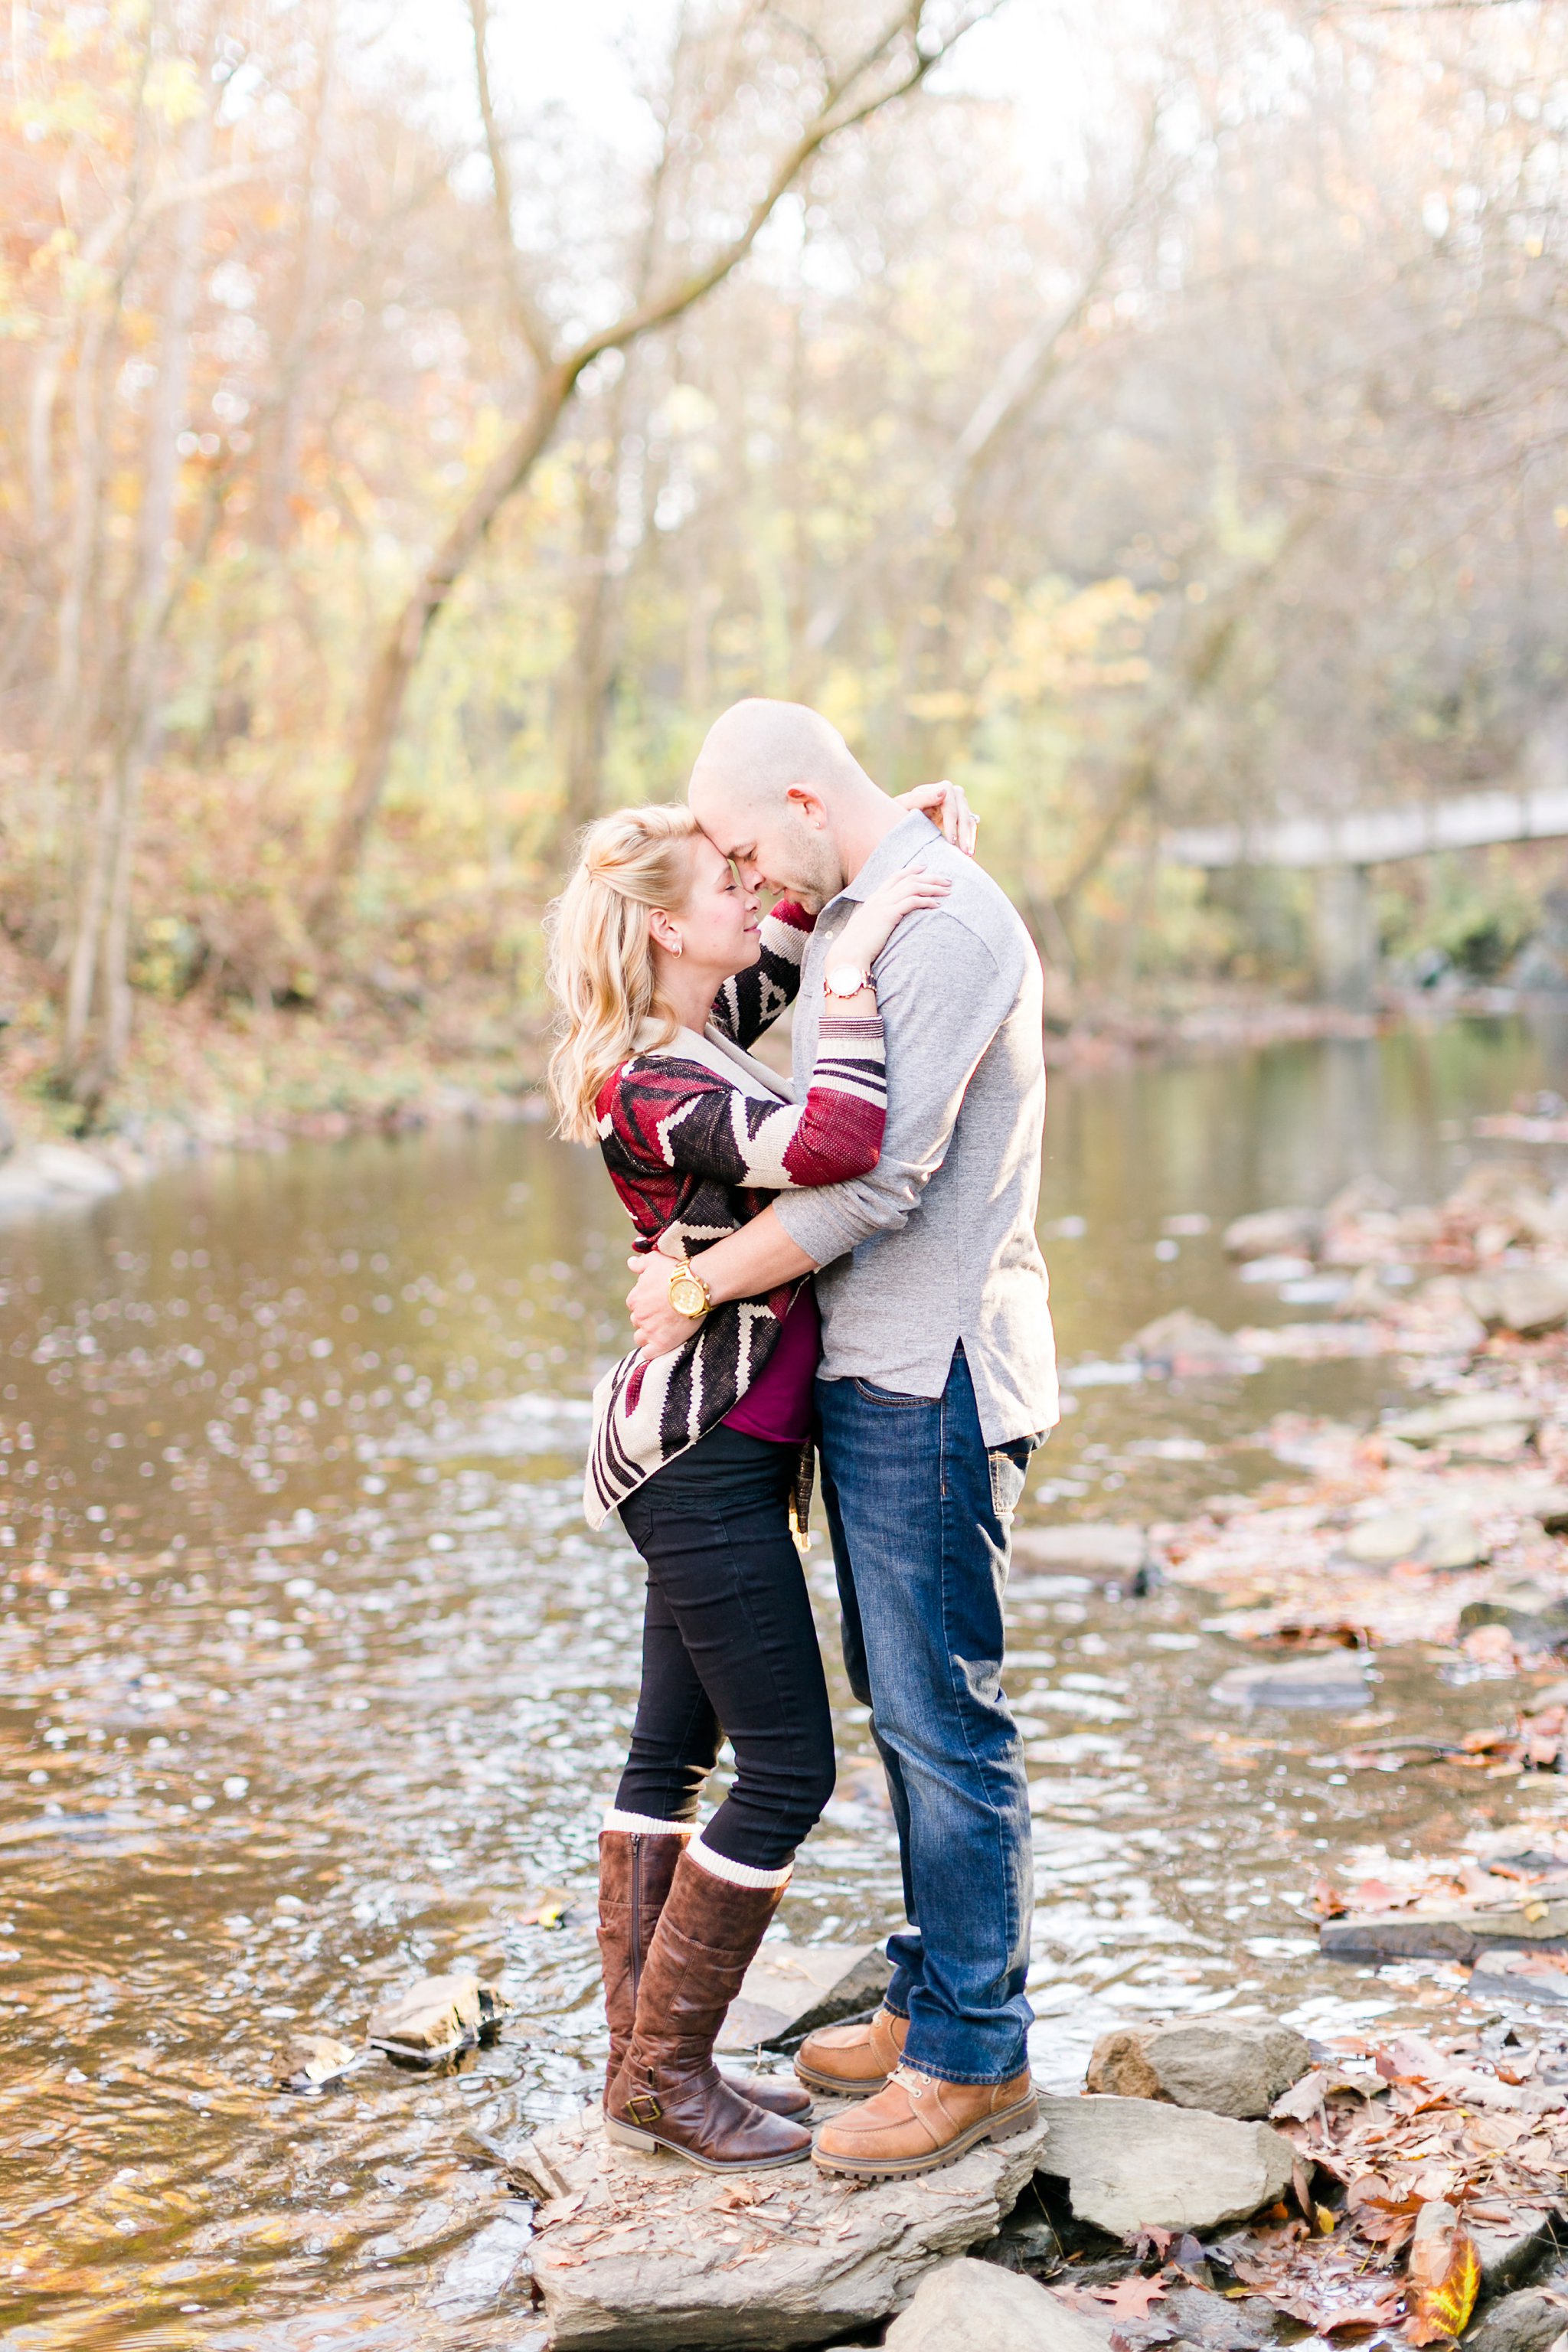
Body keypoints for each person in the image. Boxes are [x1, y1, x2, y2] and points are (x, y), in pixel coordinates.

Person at [625, 699, 1058, 2181]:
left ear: (807, 800)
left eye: (751, 849)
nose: (753, 882)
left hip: (932, 1372)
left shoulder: (933, 924)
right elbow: (775, 1037)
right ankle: (933, 1989)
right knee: (903, 1701)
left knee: (944, 1716)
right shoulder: (874, 899)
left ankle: (974, 2058)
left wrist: (691, 1282)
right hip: (877, 1372)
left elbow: (872, 1185)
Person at [545, 792, 959, 2174]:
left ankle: (643, 2068)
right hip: (701, 1463)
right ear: (667, 924)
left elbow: (793, 913)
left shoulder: (699, 1026)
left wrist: (882, 824)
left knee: (672, 1755)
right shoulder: (657, 1079)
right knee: (787, 1769)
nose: (753, 891)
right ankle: (664, 2075)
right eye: (725, 880)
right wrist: (849, 984)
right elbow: (838, 1143)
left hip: (709, 1454)